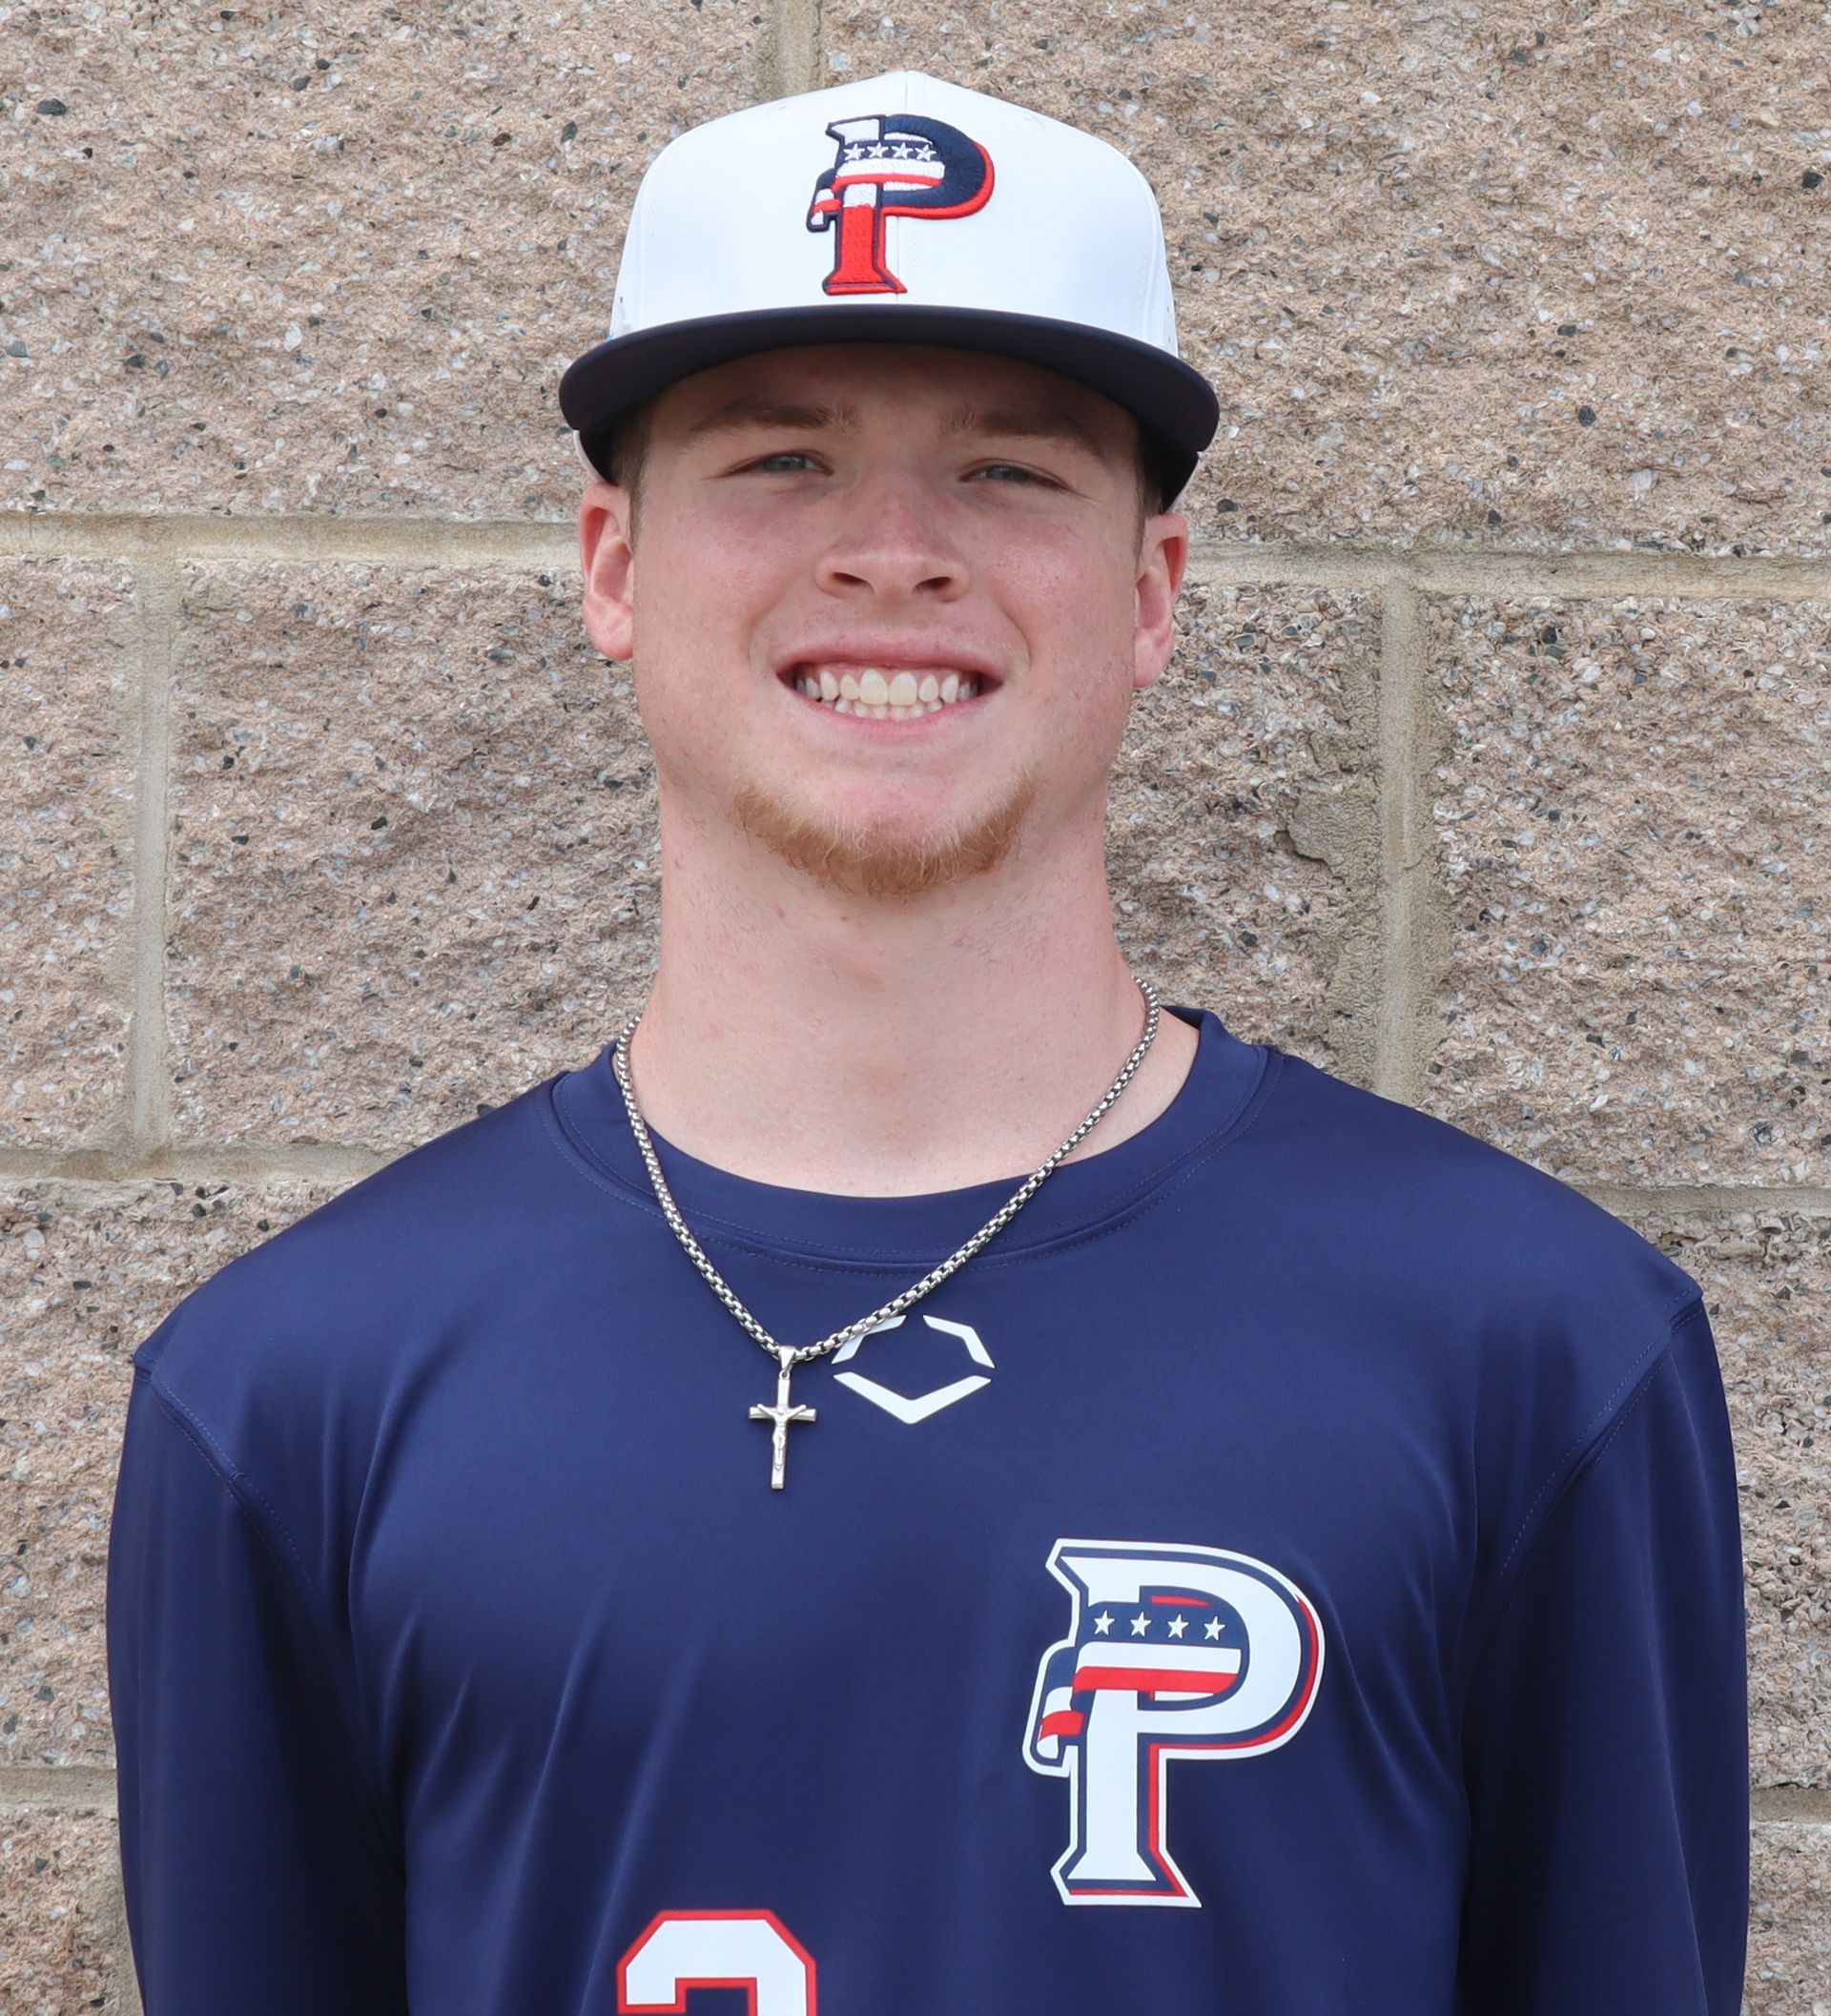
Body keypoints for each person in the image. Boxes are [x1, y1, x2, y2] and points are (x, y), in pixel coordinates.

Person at [105, 69, 1748, 2016]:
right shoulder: (291, 1396)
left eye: (1011, 471)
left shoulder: (1536, 1349)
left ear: (1151, 590)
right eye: (780, 459)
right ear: (615, 567)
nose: (892, 549)